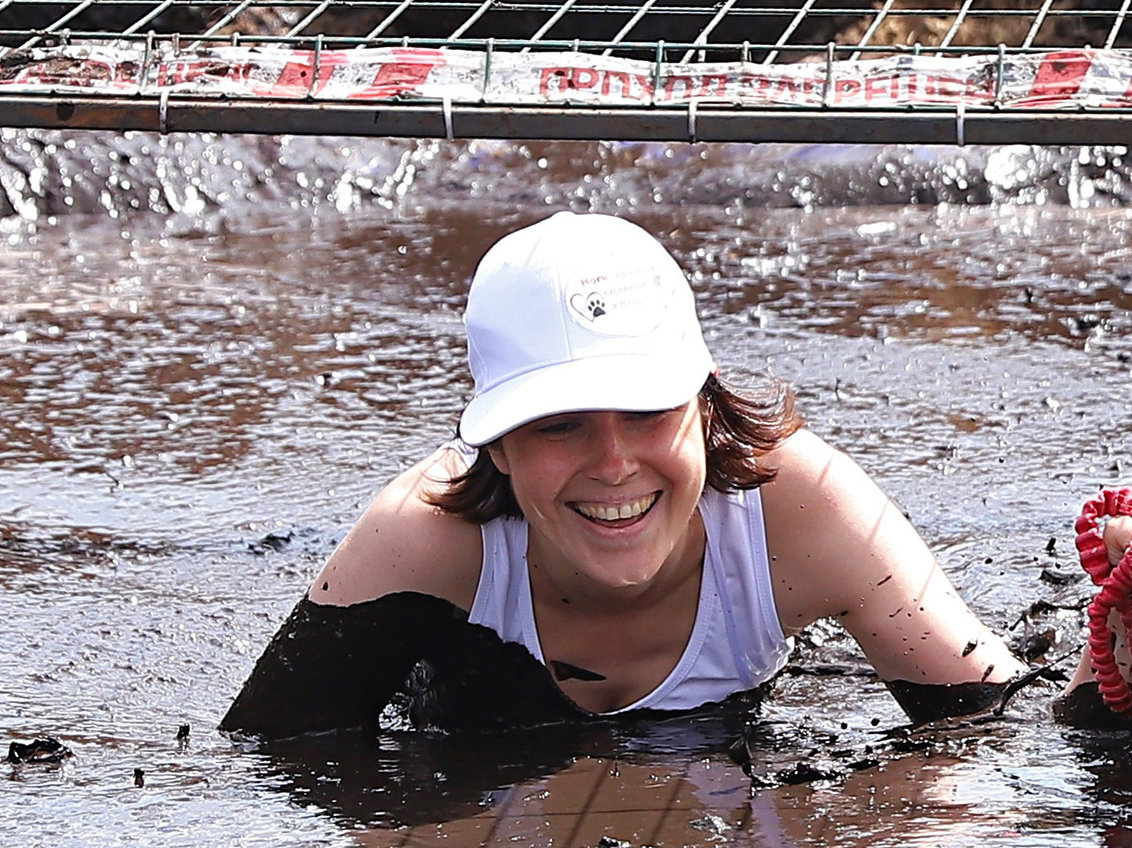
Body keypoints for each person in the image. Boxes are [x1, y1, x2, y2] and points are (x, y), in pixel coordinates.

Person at [222, 212, 1024, 738]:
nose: (613, 466)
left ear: (705, 411)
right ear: (496, 446)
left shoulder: (805, 512)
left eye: (646, 412)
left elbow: (995, 730)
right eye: (560, 423)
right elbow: (264, 767)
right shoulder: (420, 542)